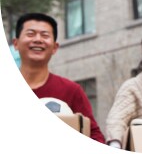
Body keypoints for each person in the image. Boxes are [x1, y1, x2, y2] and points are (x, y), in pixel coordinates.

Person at [12, 13, 105, 143]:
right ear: (15, 44)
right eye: (31, 34)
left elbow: (96, 137)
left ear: (55, 47)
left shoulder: (71, 91)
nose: (38, 39)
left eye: (45, 35)